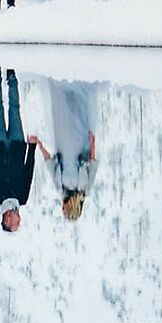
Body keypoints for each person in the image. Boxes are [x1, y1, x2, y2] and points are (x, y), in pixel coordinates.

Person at [0, 66, 41, 231]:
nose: (19, 220)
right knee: (15, 110)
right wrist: (32, 147)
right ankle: (12, 78)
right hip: (18, 146)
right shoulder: (22, 198)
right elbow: (29, 171)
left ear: (7, 220)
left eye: (16, 223)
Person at [46, 77, 99, 218]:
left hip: (63, 143)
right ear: (72, 208)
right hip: (80, 145)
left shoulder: (60, 188)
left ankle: (59, 80)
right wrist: (93, 143)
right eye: (65, 211)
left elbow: (50, 164)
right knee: (77, 113)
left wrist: (38, 145)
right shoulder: (85, 189)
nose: (62, 208)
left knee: (61, 109)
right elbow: (93, 164)